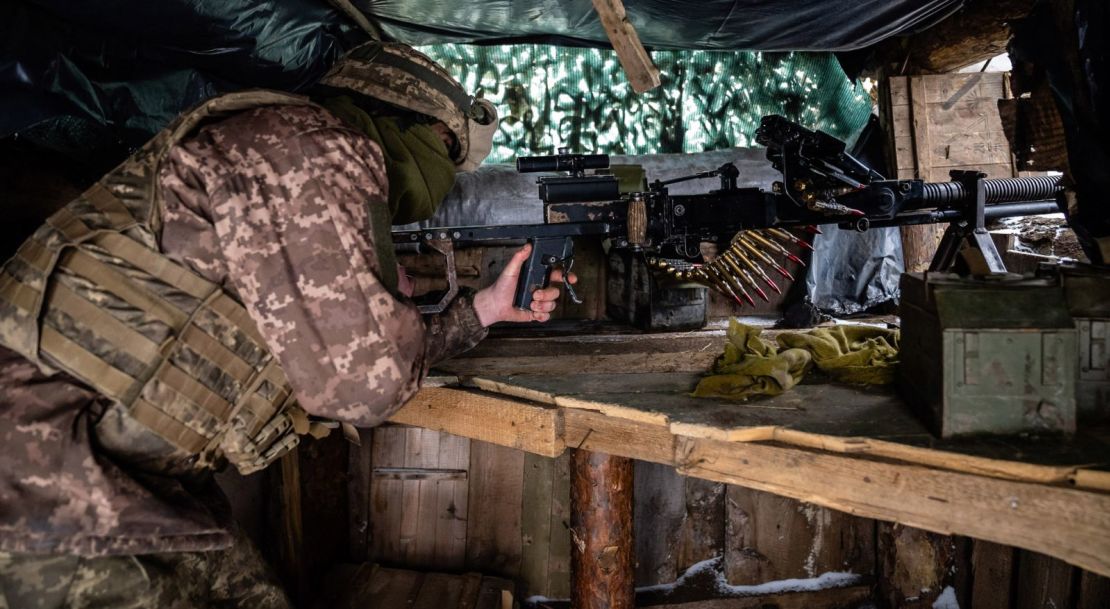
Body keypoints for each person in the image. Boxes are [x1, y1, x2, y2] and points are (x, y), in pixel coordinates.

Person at [0, 42, 572, 608]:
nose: (441, 177)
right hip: (45, 471)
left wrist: (482, 311)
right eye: (445, 150)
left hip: (105, 466)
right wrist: (391, 315)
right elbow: (363, 388)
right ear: (407, 121)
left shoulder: (287, 147)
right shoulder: (314, 146)